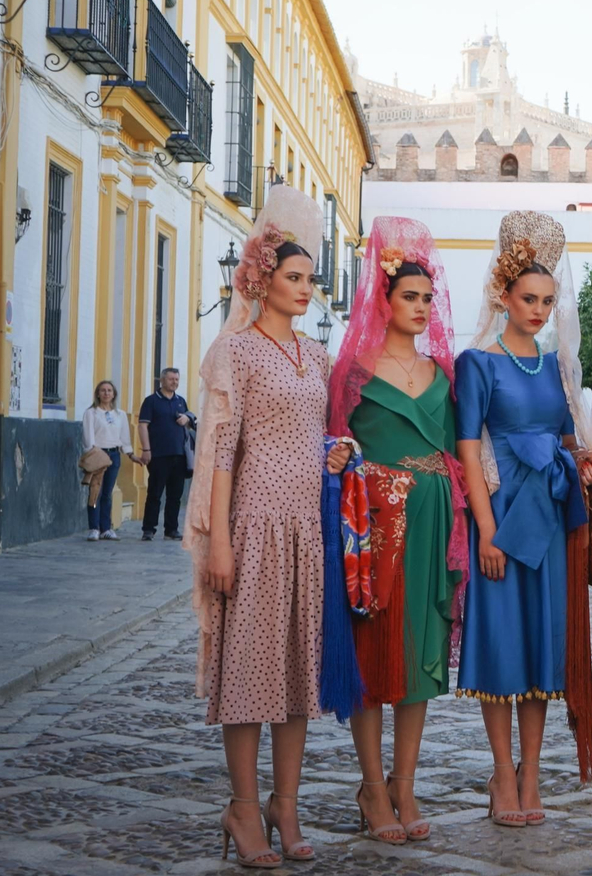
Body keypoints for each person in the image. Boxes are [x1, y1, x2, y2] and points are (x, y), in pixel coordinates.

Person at [184, 185, 351, 868]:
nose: (305, 289)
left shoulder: (317, 359)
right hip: (251, 528)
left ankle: (287, 804)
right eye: (293, 278)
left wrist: (335, 454)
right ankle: (243, 809)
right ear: (261, 278)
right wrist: (218, 539)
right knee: (249, 677)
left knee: (295, 680)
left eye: (310, 279)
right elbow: (223, 448)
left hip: (305, 533)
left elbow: (314, 433)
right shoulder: (238, 353)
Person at [454, 211, 592, 828]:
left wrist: (588, 465)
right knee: (501, 644)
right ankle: (500, 773)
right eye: (529, 299)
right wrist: (486, 530)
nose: (540, 310)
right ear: (505, 297)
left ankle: (531, 774)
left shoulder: (555, 366)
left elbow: (568, 440)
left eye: (547, 300)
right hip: (501, 515)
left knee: (545, 644)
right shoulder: (476, 362)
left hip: (548, 518)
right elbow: (469, 447)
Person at [328, 218, 467, 844]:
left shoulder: (446, 371)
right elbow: (331, 444)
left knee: (421, 658)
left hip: (436, 519)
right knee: (373, 656)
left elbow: (462, 449)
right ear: (383, 299)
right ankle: (371, 787)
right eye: (408, 296)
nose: (419, 307)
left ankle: (405, 784)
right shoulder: (353, 371)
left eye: (426, 298)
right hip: (376, 527)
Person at [138, 367, 196, 541]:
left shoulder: (180, 401)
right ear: (162, 380)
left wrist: (187, 417)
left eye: (177, 379)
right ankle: (149, 529)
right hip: (158, 455)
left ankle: (171, 529)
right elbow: (142, 426)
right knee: (155, 493)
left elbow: (190, 421)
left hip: (179, 455)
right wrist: (146, 450)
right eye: (171, 379)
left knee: (175, 495)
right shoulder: (151, 401)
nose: (174, 382)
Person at [82, 381, 132, 541]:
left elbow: (124, 436)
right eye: (103, 390)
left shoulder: (120, 414)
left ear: (114, 394)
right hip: (98, 454)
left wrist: (130, 453)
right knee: (96, 491)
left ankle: (106, 528)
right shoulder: (91, 413)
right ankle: (94, 527)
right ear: (98, 393)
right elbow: (88, 436)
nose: (106, 393)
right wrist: (92, 452)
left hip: (114, 455)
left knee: (107, 493)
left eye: (109, 390)